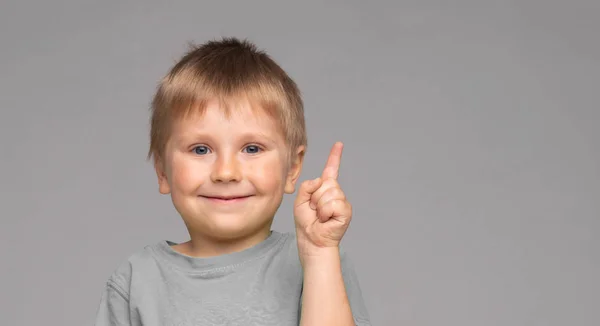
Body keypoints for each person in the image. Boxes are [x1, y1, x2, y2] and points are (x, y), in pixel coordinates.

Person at [94, 37, 371, 326]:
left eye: (252, 149)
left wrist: (319, 255)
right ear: (163, 172)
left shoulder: (317, 261)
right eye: (201, 149)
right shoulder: (137, 281)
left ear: (292, 168)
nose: (226, 172)